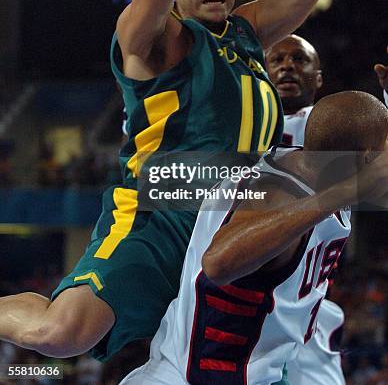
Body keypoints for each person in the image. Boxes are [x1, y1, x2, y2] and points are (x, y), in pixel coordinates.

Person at [0, 0, 338, 360]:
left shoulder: (247, 32)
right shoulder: (153, 38)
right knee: (63, 333)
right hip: (158, 216)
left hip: (230, 226)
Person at [120, 91, 388, 384]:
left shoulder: (317, 161)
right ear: (368, 158)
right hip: (203, 375)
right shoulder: (277, 195)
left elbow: (357, 126)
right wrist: (344, 193)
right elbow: (217, 263)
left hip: (259, 367)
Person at [266, 36, 388, 384]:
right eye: (277, 59)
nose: (287, 65)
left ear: (318, 78)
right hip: (241, 298)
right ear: (262, 72)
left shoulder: (338, 129)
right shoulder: (236, 128)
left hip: (306, 313)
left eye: (299, 59)